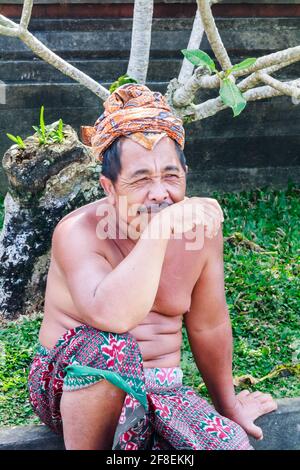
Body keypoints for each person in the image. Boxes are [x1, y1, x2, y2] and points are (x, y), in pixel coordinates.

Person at [28, 84, 277, 450]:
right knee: (110, 346)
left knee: (229, 445)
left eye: (171, 177)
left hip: (162, 390)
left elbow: (209, 324)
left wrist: (230, 407)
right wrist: (159, 230)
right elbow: (111, 317)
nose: (160, 193)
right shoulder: (78, 232)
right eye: (142, 179)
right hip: (73, 389)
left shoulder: (200, 231)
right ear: (109, 188)